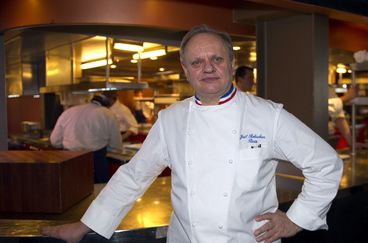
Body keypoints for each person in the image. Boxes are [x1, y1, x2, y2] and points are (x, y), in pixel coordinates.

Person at [43, 24, 343, 243]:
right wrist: (85, 225)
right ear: (186, 70)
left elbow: (326, 164)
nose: (208, 68)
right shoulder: (171, 119)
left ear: (231, 63)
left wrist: (295, 220)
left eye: (217, 59)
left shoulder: (268, 115)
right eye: (197, 62)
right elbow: (134, 176)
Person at [50, 93, 123, 183]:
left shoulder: (68, 112)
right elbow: (116, 144)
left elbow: (54, 141)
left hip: (69, 158)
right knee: (98, 191)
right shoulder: (107, 113)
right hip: (96, 159)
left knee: (71, 189)